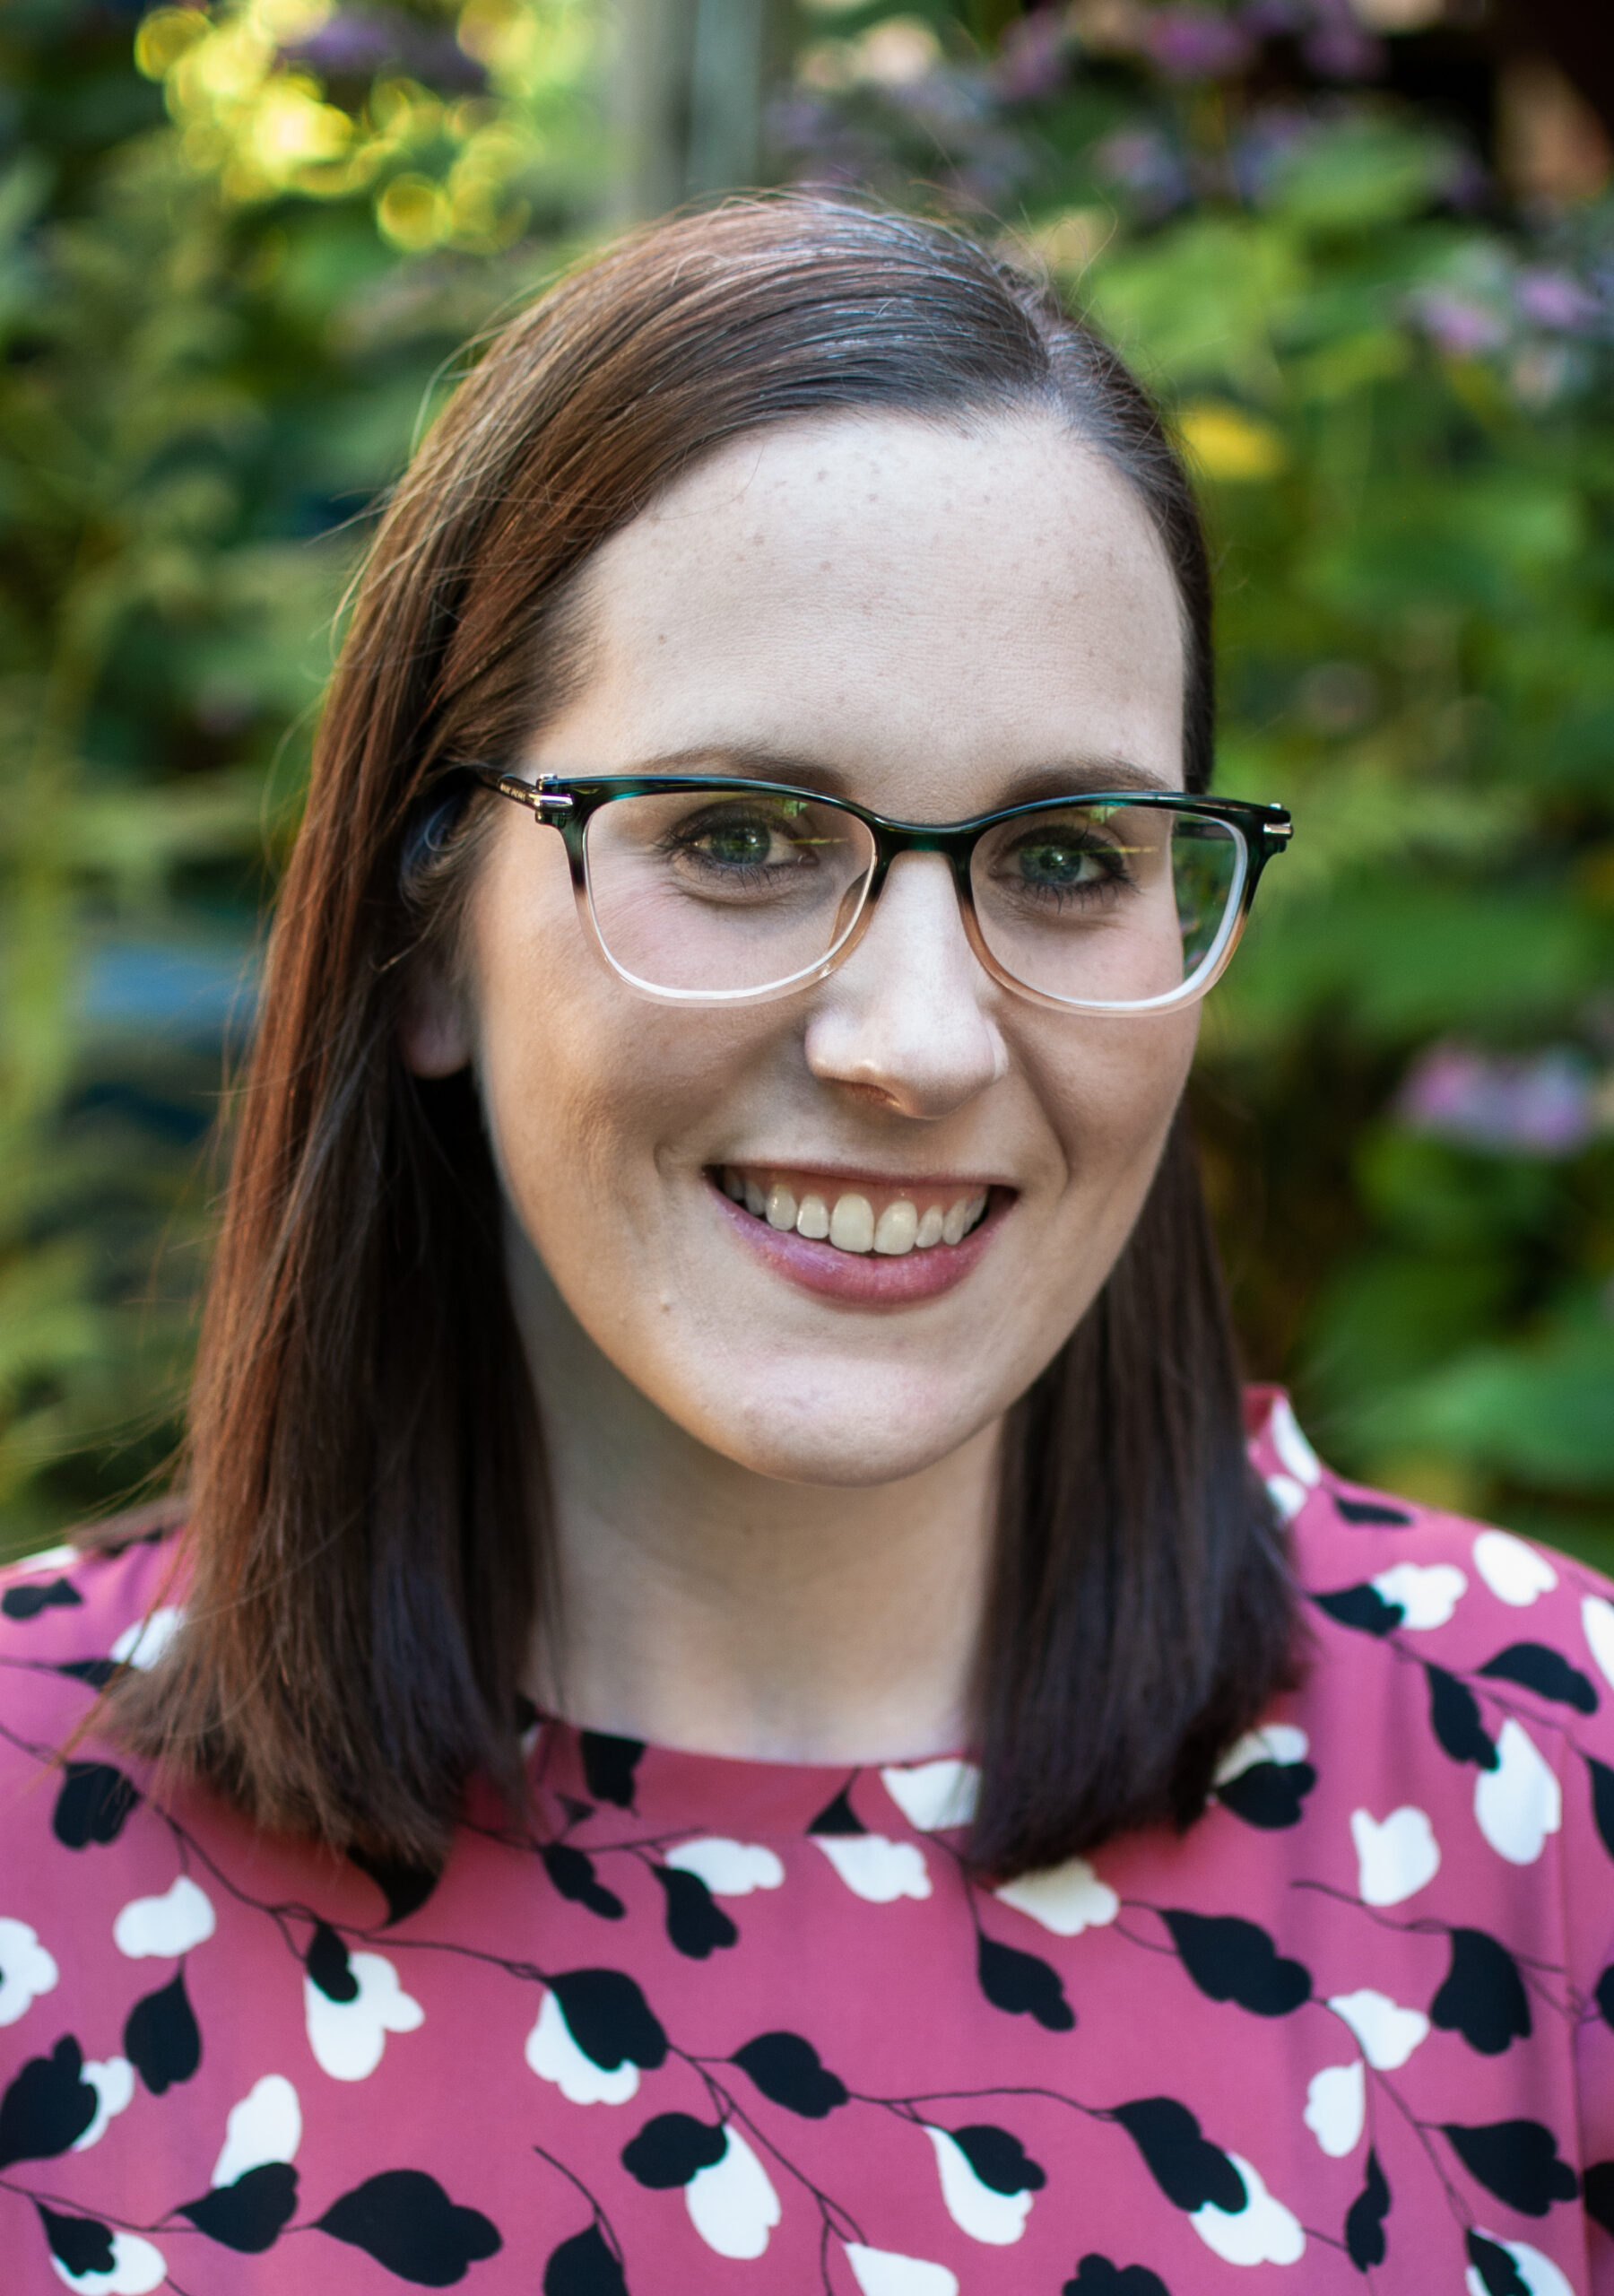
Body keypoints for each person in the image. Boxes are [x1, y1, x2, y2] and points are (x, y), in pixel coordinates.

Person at [0, 197, 1609, 2296]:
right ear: (430, 933)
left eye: (1063, 856)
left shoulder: (1548, 1797)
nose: (919, 1041)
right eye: (741, 838)